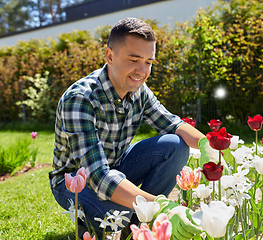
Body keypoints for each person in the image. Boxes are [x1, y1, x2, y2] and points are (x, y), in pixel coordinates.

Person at [49, 17, 209, 240]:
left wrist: (209, 148)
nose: (142, 71)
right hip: (76, 181)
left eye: (149, 62)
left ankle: (138, 221)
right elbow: (98, 175)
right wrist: (163, 206)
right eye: (134, 59)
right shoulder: (80, 99)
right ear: (110, 56)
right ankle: (118, 220)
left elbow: (174, 124)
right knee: (116, 217)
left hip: (118, 166)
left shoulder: (139, 91)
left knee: (175, 144)